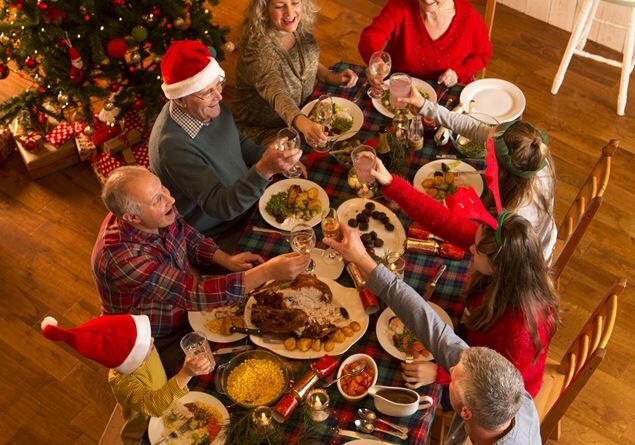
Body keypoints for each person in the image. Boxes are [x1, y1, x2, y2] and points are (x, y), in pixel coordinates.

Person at [324, 225, 541, 444]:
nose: (451, 366)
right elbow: (428, 324)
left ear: (465, 412)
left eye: (453, 374)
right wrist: (362, 259)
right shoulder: (504, 395)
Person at [369, 158, 559, 397]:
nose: (470, 250)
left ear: (498, 266)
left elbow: (500, 386)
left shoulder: (520, 328)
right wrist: (391, 183)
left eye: (476, 250)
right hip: (474, 346)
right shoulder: (507, 256)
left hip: (498, 391)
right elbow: (443, 221)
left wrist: (440, 374)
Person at [92, 166, 310, 371]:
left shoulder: (158, 209)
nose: (171, 199)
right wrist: (268, 272)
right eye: (157, 198)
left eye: (162, 188)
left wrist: (226, 260)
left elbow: (185, 234)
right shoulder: (120, 257)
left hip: (185, 305)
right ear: (132, 217)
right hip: (152, 336)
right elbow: (191, 293)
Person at [149, 39, 305, 237]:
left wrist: (269, 155)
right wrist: (265, 168)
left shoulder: (205, 105)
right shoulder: (172, 147)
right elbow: (220, 206)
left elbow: (237, 141)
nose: (219, 97)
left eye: (218, 85)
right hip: (221, 230)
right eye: (208, 92)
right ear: (180, 100)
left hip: (246, 198)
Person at [402, 85, 557, 261]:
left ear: (499, 169)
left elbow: (493, 259)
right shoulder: (533, 156)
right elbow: (475, 128)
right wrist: (424, 105)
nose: (485, 141)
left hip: (523, 261)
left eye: (488, 149)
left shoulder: (513, 217)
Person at [41, 314, 213, 445]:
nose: (152, 340)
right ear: (131, 359)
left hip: (169, 403)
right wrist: (186, 374)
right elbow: (155, 406)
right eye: (146, 343)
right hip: (145, 428)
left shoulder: (147, 352)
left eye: (149, 337)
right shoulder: (123, 383)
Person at [233, 0, 358, 145]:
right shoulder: (258, 51)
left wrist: (330, 76)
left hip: (302, 114)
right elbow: (277, 93)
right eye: (280, 6)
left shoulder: (295, 27)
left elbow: (304, 62)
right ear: (263, 9)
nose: (290, 13)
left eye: (295, 2)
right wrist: (303, 123)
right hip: (264, 131)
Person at [358, 0, 492, 86]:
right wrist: (375, 59)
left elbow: (483, 55)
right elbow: (371, 37)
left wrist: (458, 73)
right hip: (399, 84)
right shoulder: (400, 5)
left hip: (444, 90)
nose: (427, 0)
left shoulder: (468, 17)